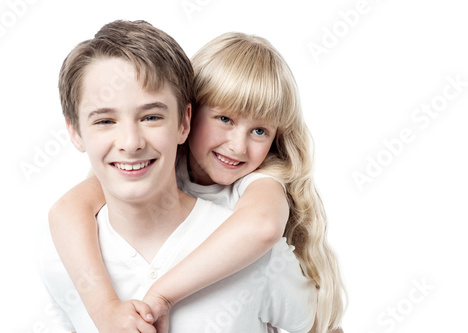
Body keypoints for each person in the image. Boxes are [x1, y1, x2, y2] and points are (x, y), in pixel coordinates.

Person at [40, 19, 319, 333]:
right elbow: (65, 210)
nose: (238, 146)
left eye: (259, 130)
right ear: (193, 117)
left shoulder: (260, 191)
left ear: (181, 122)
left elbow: (264, 227)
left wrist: (162, 295)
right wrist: (105, 311)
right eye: (224, 118)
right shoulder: (68, 256)